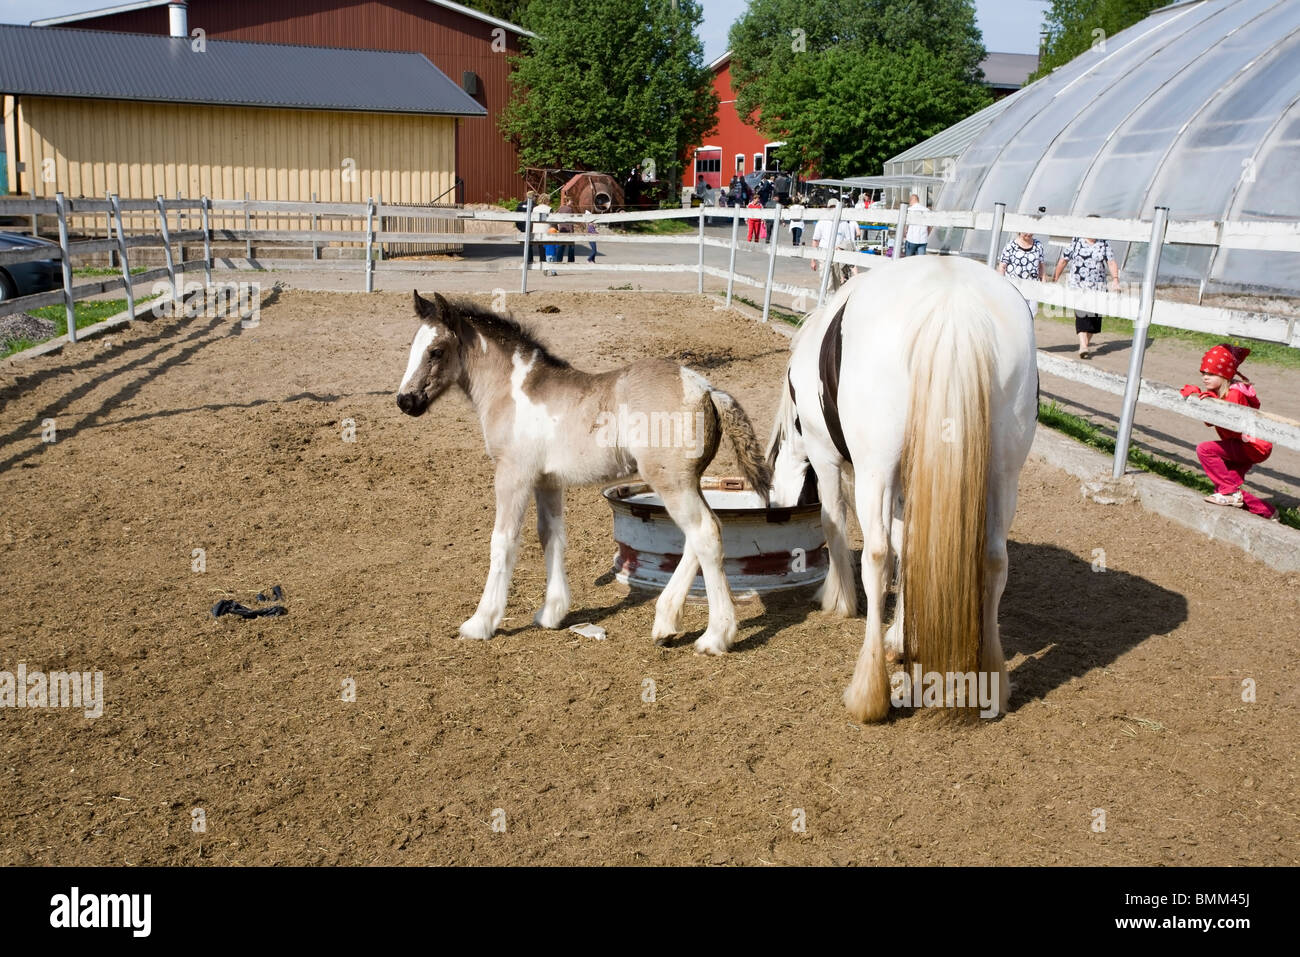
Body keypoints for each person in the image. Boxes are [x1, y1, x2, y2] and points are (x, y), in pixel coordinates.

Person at [1180, 344, 1277, 520]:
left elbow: (1232, 423)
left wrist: (1215, 402)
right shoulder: (1218, 392)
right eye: (1203, 373)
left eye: (1210, 374)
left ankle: (1232, 494)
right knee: (1225, 487)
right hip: (1243, 444)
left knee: (1205, 450)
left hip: (1252, 445)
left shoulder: (1234, 394)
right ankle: (1268, 512)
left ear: (1224, 374)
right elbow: (1210, 422)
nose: (1205, 377)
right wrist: (1202, 400)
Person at [1052, 218, 1119, 358]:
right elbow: (1064, 260)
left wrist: (1115, 280)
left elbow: (1111, 263)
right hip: (1078, 286)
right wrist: (1056, 277)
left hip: (1098, 287)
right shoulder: (1076, 241)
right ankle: (1083, 345)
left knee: (1094, 323)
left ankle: (1084, 345)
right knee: (1082, 316)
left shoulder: (1104, 243)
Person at [996, 229, 1047, 317]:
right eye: (1025, 231)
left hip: (1032, 288)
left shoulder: (1038, 245)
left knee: (1030, 315)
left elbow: (1041, 266)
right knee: (1013, 315)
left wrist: (1043, 282)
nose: (1029, 233)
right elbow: (1002, 267)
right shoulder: (1010, 246)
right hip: (1014, 288)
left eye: (1031, 231)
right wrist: (1002, 284)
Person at [810, 200, 857, 287]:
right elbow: (815, 240)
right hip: (823, 255)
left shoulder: (844, 224)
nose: (833, 210)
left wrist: (841, 248)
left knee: (838, 282)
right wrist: (813, 260)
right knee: (826, 281)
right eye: (831, 208)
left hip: (838, 256)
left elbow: (848, 241)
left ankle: (834, 298)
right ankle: (825, 299)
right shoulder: (821, 222)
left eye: (835, 208)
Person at [904, 192, 930, 257]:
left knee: (908, 260)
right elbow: (929, 226)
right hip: (923, 240)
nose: (909, 203)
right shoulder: (927, 210)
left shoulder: (909, 210)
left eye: (910, 200)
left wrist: (904, 234)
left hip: (911, 239)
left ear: (912, 200)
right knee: (920, 262)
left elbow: (905, 226)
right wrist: (927, 234)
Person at [531, 191, 552, 265]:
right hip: (546, 230)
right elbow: (552, 220)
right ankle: (546, 263)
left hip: (537, 230)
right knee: (548, 249)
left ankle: (542, 261)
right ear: (547, 200)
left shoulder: (535, 208)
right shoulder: (549, 209)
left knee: (541, 248)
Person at [555, 199, 576, 264]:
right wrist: (572, 231)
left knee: (561, 246)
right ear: (568, 201)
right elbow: (570, 221)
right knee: (571, 246)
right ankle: (570, 260)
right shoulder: (569, 209)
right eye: (571, 201)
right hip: (568, 229)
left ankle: (558, 259)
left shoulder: (560, 208)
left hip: (561, 229)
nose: (572, 202)